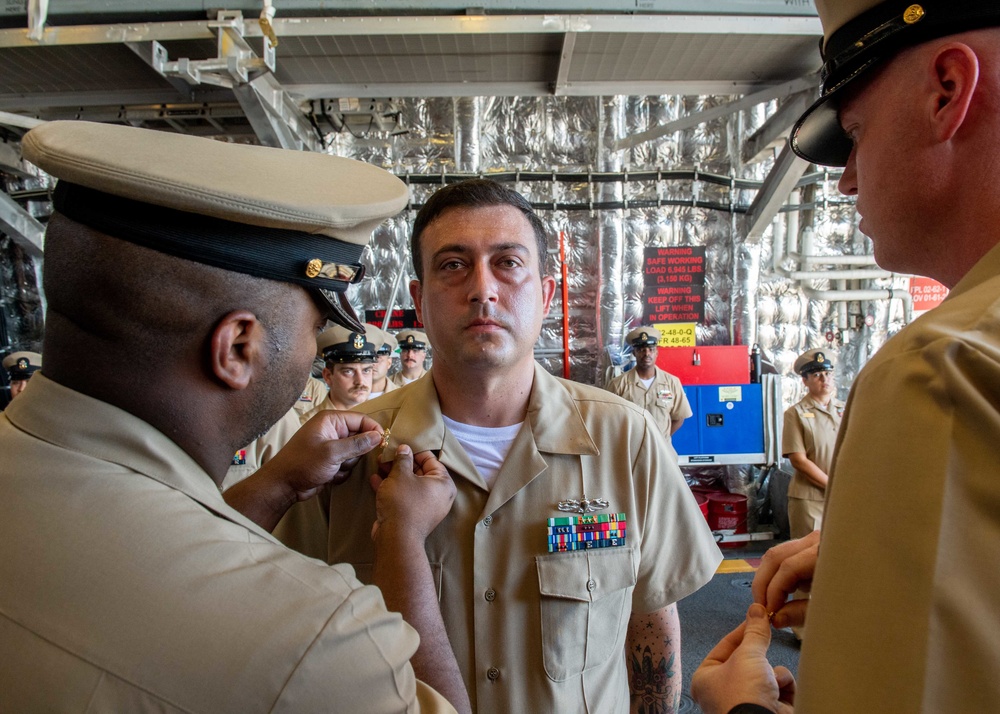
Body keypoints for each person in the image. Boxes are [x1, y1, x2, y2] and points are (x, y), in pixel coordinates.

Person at [0, 120, 469, 713]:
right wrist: (402, 541)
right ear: (239, 349)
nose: (313, 356)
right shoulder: (314, 646)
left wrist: (274, 486)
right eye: (312, 332)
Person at [692, 2, 1000, 712]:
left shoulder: (943, 368)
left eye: (855, 134)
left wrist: (746, 711)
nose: (846, 180)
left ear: (946, 90)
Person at [324, 179, 721, 713]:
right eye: (452, 265)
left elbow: (650, 619)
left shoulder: (624, 440)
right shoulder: (350, 453)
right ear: (418, 301)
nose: (482, 288)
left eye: (507, 263)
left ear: (547, 294)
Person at [781, 349, 843, 540]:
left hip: (843, 495)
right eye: (816, 375)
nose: (824, 379)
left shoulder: (846, 409)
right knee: (808, 557)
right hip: (810, 500)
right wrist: (832, 485)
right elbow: (798, 460)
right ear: (805, 381)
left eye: (827, 374)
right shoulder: (796, 413)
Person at [606, 326, 692, 439]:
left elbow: (679, 418)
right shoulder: (618, 384)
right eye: (641, 350)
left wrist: (661, 440)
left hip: (661, 452)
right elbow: (609, 419)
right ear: (634, 353)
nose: (647, 354)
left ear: (656, 353)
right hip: (631, 451)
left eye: (651, 349)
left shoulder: (672, 383)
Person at [303, 324, 377, 416]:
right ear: (328, 376)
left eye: (366, 371)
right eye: (348, 371)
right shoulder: (306, 426)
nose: (360, 381)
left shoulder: (387, 419)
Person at [368, 323, 399, 398]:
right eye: (368, 357)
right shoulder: (346, 397)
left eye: (378, 357)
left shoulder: (403, 396)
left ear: (389, 362)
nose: (373, 363)